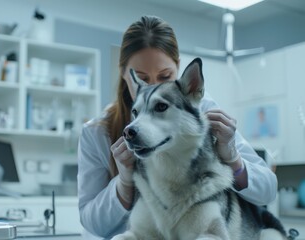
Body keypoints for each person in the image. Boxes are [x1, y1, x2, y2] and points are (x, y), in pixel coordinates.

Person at [77, 15, 278, 239]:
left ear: (179, 69)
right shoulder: (96, 132)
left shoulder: (199, 111)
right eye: (142, 78)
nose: (153, 88)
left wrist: (232, 157)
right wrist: (124, 182)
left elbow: (268, 190)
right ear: (125, 74)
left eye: (165, 76)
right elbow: (90, 223)